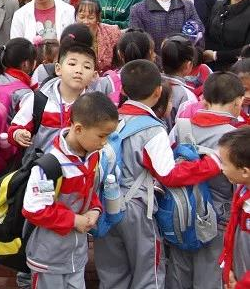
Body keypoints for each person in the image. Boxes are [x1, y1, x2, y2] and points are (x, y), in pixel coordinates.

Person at [93, 60, 222, 289]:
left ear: (123, 89)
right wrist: (209, 165)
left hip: (104, 203)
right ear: (158, 91)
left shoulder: (110, 119)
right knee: (148, 273)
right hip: (138, 209)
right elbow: (168, 174)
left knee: (112, 274)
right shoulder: (152, 129)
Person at [23, 92, 118, 289]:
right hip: (48, 259)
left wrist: (95, 210)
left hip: (76, 256)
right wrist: (74, 220)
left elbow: (90, 193)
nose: (105, 142)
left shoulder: (92, 156)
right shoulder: (50, 165)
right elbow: (35, 209)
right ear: (79, 129)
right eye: (102, 136)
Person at [216, 126, 250, 288]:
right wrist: (228, 265)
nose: (221, 168)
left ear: (244, 171)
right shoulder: (242, 189)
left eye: (224, 163)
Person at [204, 0, 250, 71]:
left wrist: (216, 55)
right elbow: (207, 32)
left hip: (238, 69)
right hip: (209, 65)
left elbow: (247, 49)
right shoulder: (218, 5)